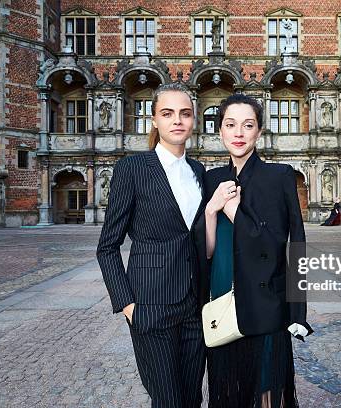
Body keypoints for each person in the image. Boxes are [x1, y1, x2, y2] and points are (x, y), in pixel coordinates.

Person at [194, 93, 313, 408]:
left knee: (266, 395)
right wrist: (210, 211)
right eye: (230, 125)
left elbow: (291, 246)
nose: (238, 133)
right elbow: (206, 251)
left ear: (259, 132)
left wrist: (298, 312)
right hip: (221, 301)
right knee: (227, 392)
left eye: (248, 125)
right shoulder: (211, 179)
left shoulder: (280, 176)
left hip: (266, 306)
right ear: (219, 131)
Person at [96, 82, 206, 408]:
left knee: (191, 399)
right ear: (154, 120)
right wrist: (128, 307)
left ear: (194, 119)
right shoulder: (131, 169)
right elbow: (107, 246)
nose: (177, 120)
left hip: (193, 307)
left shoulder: (199, 171)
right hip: (150, 306)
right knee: (167, 401)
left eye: (185, 113)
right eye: (167, 113)